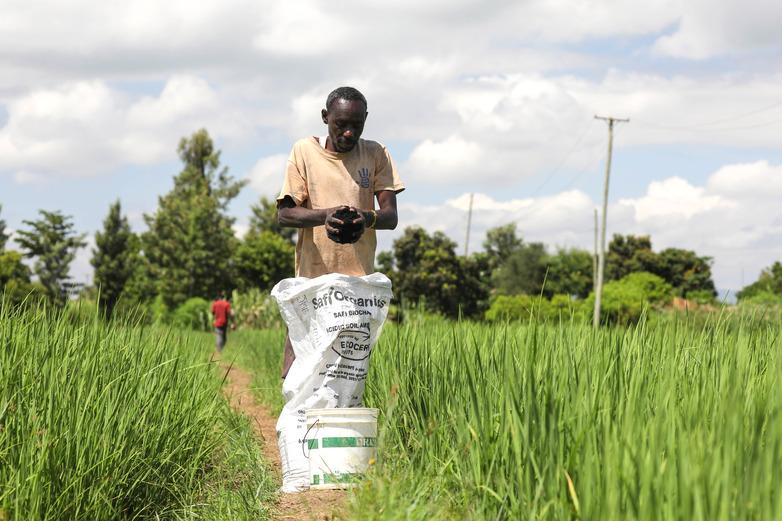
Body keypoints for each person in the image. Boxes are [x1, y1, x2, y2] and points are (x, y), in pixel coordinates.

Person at [276, 86, 404, 377]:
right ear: (325, 117)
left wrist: (365, 217)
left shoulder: (375, 154)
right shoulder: (304, 151)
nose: (348, 133)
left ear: (366, 120)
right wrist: (326, 216)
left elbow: (390, 216)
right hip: (312, 279)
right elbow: (284, 214)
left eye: (356, 126)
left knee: (347, 370)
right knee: (299, 365)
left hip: (357, 284)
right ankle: (297, 420)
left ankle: (338, 420)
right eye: (340, 124)